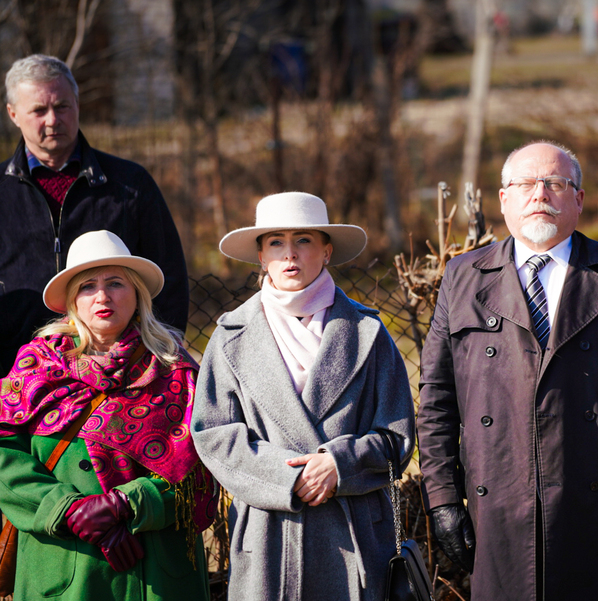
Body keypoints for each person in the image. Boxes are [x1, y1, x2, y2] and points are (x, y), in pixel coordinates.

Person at [417, 141, 598, 600]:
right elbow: (436, 404)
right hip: (496, 515)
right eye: (526, 184)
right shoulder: (462, 278)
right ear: (504, 200)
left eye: (556, 184)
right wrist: (441, 501)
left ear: (578, 199)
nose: (540, 194)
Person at [190, 192, 416, 601]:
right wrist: (289, 476)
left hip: (356, 534)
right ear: (260, 256)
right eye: (275, 242)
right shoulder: (229, 337)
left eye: (304, 240)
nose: (289, 254)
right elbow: (214, 435)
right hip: (269, 537)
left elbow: (396, 437)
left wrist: (339, 465)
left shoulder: (368, 332)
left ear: (327, 251)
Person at [0, 230, 217, 600]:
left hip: (158, 574)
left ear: (136, 295)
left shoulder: (176, 370)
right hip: (63, 571)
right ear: (72, 301)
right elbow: (6, 457)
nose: (102, 296)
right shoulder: (34, 368)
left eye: (115, 283)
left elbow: (203, 467)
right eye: (87, 286)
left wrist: (127, 504)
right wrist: (67, 510)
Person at [0, 54, 189, 374]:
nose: (52, 120)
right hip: (13, 374)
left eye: (62, 106)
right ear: (13, 114)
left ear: (77, 103)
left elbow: (167, 276)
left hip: (121, 373)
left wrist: (156, 356)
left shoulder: (130, 184)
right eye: (38, 110)